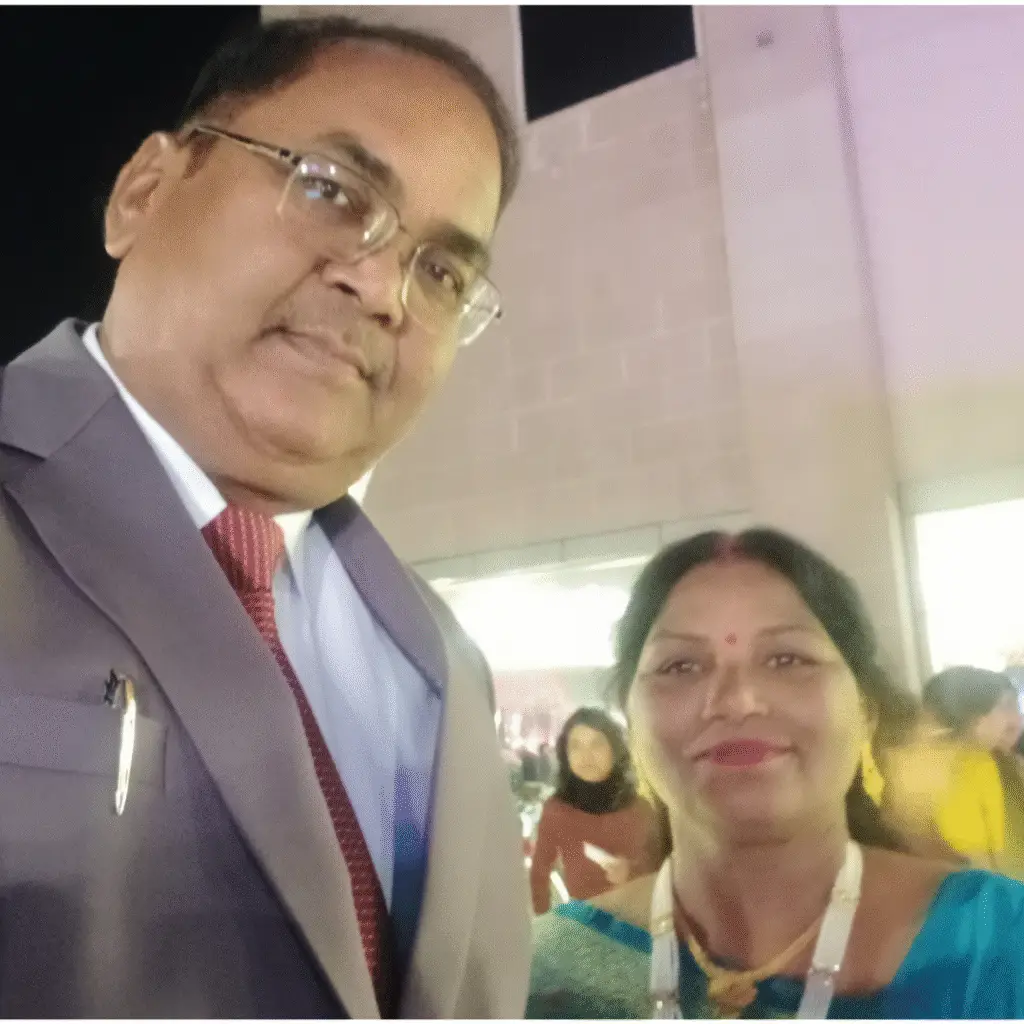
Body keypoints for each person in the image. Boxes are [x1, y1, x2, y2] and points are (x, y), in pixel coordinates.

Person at [0, 15, 529, 1018]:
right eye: (333, 190)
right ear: (143, 192)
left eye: (441, 271)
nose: (383, 287)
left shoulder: (441, 657)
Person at [528, 529, 1024, 1019]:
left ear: (865, 710)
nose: (736, 700)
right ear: (631, 720)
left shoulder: (1000, 943)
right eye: (680, 666)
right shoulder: (546, 974)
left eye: (787, 659)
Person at [529, 707, 657, 914]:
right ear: (565, 755)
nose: (586, 756)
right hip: (586, 924)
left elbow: (663, 871)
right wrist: (543, 925)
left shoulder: (640, 808)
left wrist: (631, 872)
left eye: (596, 744)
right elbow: (539, 875)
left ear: (614, 750)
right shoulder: (558, 810)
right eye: (576, 746)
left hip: (638, 921)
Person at [905, 666, 1024, 877]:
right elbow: (978, 861)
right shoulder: (949, 769)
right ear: (974, 716)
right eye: (1006, 706)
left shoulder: (989, 761)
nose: (1017, 721)